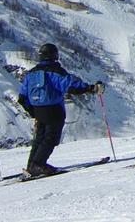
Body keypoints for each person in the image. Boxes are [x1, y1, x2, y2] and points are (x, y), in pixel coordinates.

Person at [17, 44, 102, 177]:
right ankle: (38, 166)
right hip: (54, 109)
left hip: (38, 109)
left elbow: (22, 97)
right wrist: (91, 88)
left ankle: (32, 165)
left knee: (40, 138)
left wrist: (33, 112)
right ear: (54, 55)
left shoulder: (31, 73)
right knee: (51, 138)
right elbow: (71, 85)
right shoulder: (55, 71)